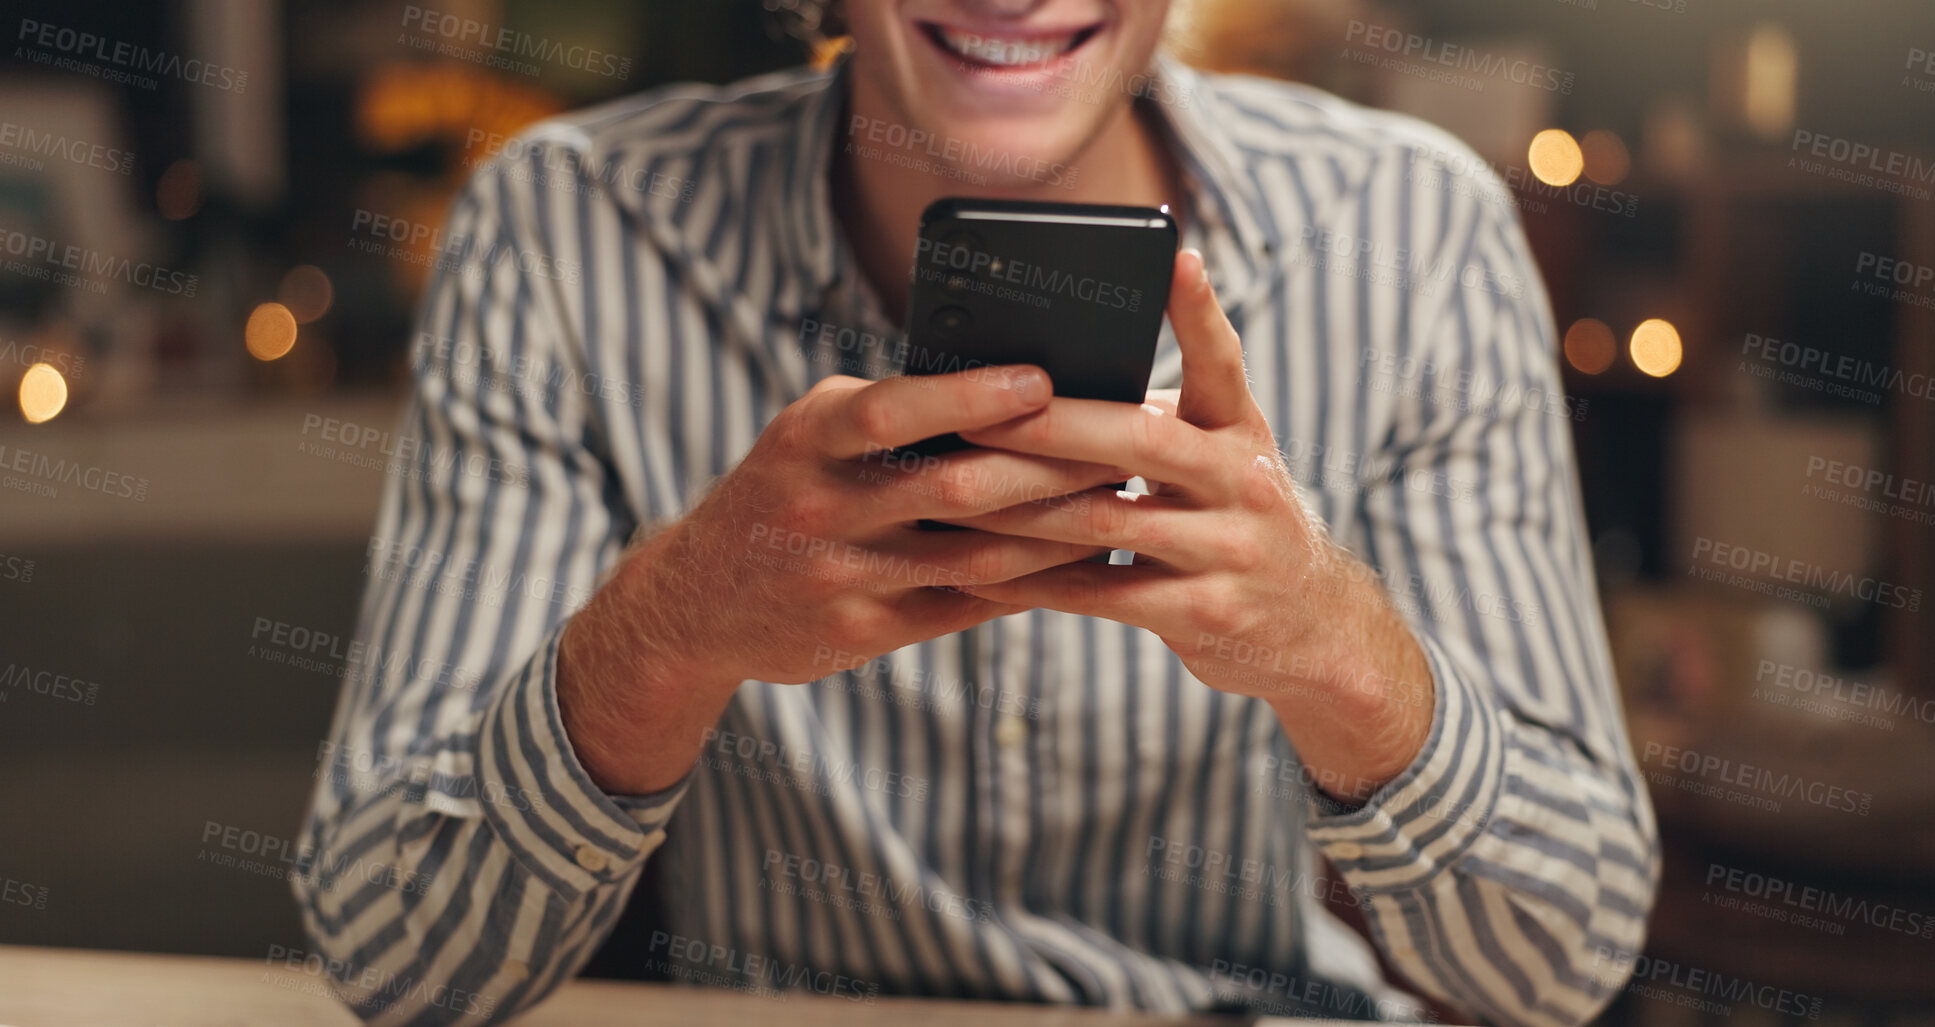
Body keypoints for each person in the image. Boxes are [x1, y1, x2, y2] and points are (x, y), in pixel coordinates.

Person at [294, 1, 1659, 1023]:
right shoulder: (563, 229)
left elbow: (1560, 965)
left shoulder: (1415, 230)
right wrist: (667, 628)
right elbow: (395, 960)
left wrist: (1342, 657)